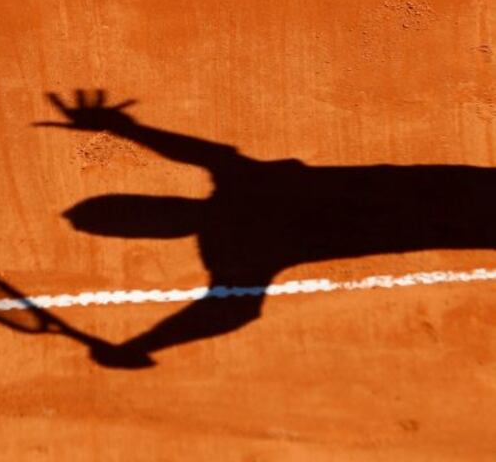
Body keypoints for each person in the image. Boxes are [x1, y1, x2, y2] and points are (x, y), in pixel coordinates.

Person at [37, 90, 496, 367]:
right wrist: (126, 130)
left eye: (134, 210)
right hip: (467, 199)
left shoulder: (234, 236)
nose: (149, 213)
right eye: (135, 215)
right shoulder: (237, 212)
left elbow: (229, 313)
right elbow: (230, 313)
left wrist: (141, 344)